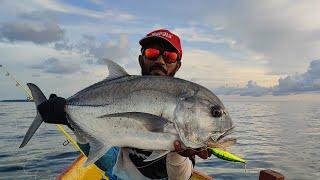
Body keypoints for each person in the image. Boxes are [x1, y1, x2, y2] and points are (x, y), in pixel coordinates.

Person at [38, 29, 211, 179]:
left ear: (177, 65)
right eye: (152, 53)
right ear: (141, 59)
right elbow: (107, 156)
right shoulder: (120, 90)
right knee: (106, 153)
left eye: (169, 56)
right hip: (119, 170)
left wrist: (177, 153)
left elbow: (179, 179)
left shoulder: (188, 107)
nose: (160, 61)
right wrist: (70, 119)